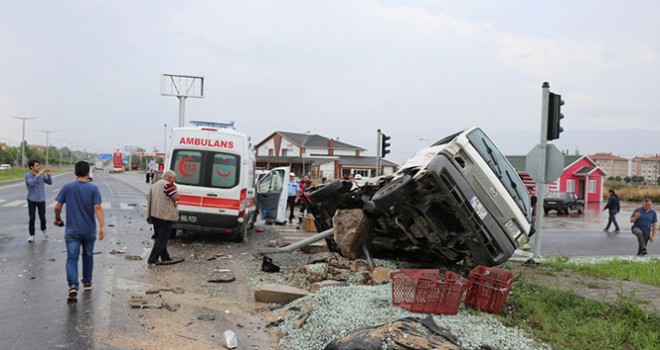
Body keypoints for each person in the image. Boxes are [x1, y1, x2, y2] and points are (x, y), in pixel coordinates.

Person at [54, 161, 105, 300]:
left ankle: (73, 286)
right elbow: (98, 208)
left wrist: (57, 219)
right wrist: (102, 226)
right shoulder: (94, 188)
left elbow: (57, 206)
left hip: (72, 231)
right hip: (89, 230)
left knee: (72, 258)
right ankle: (87, 282)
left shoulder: (67, 188)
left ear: (74, 172)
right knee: (88, 256)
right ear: (88, 173)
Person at [146, 170, 180, 265]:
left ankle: (165, 257)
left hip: (155, 214)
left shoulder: (155, 184)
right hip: (165, 216)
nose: (174, 181)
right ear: (169, 178)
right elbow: (177, 197)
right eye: (173, 179)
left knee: (160, 237)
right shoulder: (168, 185)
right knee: (162, 239)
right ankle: (152, 259)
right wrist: (175, 188)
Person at [24, 159, 52, 242]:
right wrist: (39, 174)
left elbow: (50, 182)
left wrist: (49, 175)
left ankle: (44, 229)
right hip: (32, 199)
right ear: (31, 167)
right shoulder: (27, 175)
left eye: (39, 165)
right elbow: (31, 183)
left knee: (42, 217)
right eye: (36, 166)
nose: (38, 167)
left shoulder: (42, 175)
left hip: (41, 199)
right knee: (32, 218)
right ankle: (31, 235)